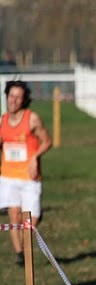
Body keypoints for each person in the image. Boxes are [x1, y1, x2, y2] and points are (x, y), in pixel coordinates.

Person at [0, 80, 52, 265]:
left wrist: (34, 158)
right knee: (13, 215)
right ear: (6, 96)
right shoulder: (1, 121)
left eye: (18, 97)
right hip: (8, 176)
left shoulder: (32, 119)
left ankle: (23, 246)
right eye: (11, 96)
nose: (13, 101)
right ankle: (20, 254)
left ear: (24, 100)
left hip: (29, 178)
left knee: (30, 221)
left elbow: (47, 141)